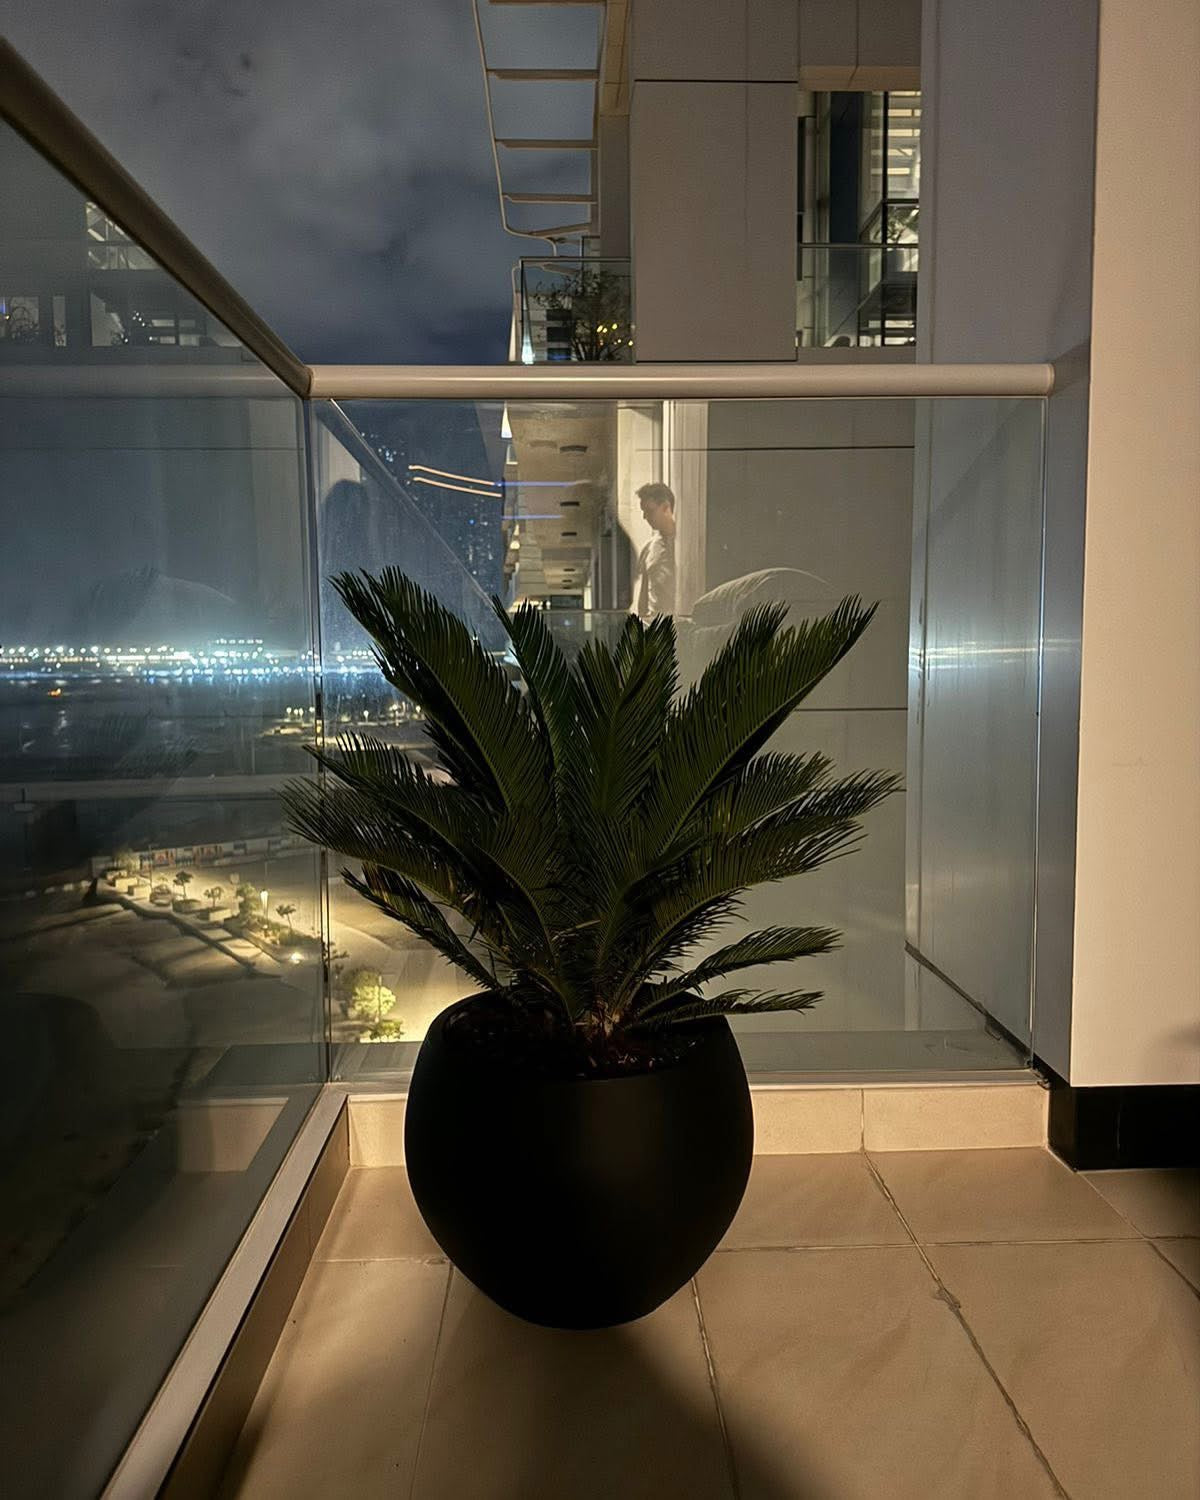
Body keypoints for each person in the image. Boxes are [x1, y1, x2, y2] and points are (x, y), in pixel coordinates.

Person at [631, 482, 677, 621]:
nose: (645, 517)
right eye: (643, 512)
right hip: (654, 624)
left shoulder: (687, 546)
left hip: (680, 623)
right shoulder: (649, 547)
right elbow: (643, 594)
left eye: (649, 511)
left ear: (665, 507)